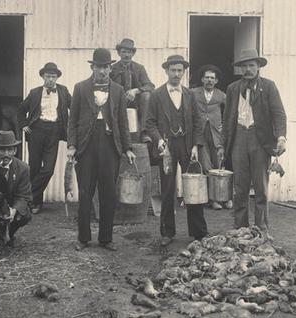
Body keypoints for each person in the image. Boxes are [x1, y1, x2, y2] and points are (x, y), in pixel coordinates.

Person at [67, 48, 136, 251]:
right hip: (86, 146)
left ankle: (106, 238)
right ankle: (83, 238)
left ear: (109, 68)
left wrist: (128, 147)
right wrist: (72, 145)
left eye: (106, 67)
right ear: (92, 67)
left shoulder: (118, 90)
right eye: (99, 67)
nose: (103, 71)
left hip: (109, 146)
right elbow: (72, 121)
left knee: (108, 194)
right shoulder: (80, 88)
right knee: (85, 192)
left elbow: (123, 122)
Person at [218, 49, 287, 234]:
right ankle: (240, 228)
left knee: (260, 187)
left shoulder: (269, 86)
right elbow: (226, 119)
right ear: (240, 69)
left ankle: (260, 230)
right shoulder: (232, 89)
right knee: (239, 187)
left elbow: (279, 114)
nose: (248, 69)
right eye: (244, 66)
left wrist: (281, 137)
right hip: (239, 137)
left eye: (251, 65)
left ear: (258, 67)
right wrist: (222, 145)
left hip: (260, 139)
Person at [144, 55, 208, 246]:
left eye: (180, 70)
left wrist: (196, 145)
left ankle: (198, 232)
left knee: (193, 188)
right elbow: (149, 123)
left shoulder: (190, 95)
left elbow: (198, 122)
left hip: (188, 146)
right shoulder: (156, 95)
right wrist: (159, 142)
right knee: (168, 189)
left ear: (183, 72)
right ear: (166, 71)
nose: (177, 74)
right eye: (173, 70)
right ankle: (167, 232)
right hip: (167, 149)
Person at [18, 62, 71, 214]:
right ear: (42, 77)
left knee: (48, 169)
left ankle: (26, 196)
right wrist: (23, 125)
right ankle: (36, 203)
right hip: (36, 131)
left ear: (57, 78)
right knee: (34, 168)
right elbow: (21, 110)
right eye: (48, 76)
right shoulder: (35, 92)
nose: (50, 80)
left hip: (54, 131)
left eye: (53, 77)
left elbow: (74, 106)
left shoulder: (63, 91)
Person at [191, 64, 230, 210]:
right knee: (206, 165)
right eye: (207, 77)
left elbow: (231, 111)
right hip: (200, 133)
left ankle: (224, 198)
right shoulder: (193, 93)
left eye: (212, 78)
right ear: (202, 79)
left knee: (219, 164)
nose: (209, 80)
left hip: (216, 133)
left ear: (216, 81)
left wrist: (224, 126)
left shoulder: (221, 95)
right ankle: (212, 199)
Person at [110, 38, 155, 138]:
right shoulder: (112, 68)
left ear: (133, 53)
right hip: (118, 100)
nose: (126, 55)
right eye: (124, 52)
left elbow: (150, 86)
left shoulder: (139, 68)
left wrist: (136, 91)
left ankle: (144, 132)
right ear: (119, 53)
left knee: (147, 95)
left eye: (129, 52)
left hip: (135, 101)